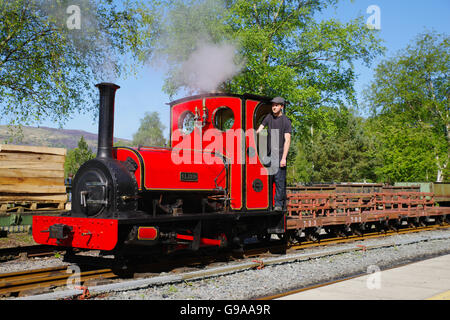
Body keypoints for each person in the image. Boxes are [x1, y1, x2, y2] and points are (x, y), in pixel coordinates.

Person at [256, 96, 292, 211]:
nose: (274, 107)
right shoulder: (268, 117)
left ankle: (278, 205)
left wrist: (284, 158)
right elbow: (259, 129)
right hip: (268, 155)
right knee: (267, 180)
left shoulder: (286, 121)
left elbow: (287, 140)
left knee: (279, 181)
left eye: (276, 105)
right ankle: (266, 204)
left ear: (281, 106)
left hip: (280, 155)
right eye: (273, 105)